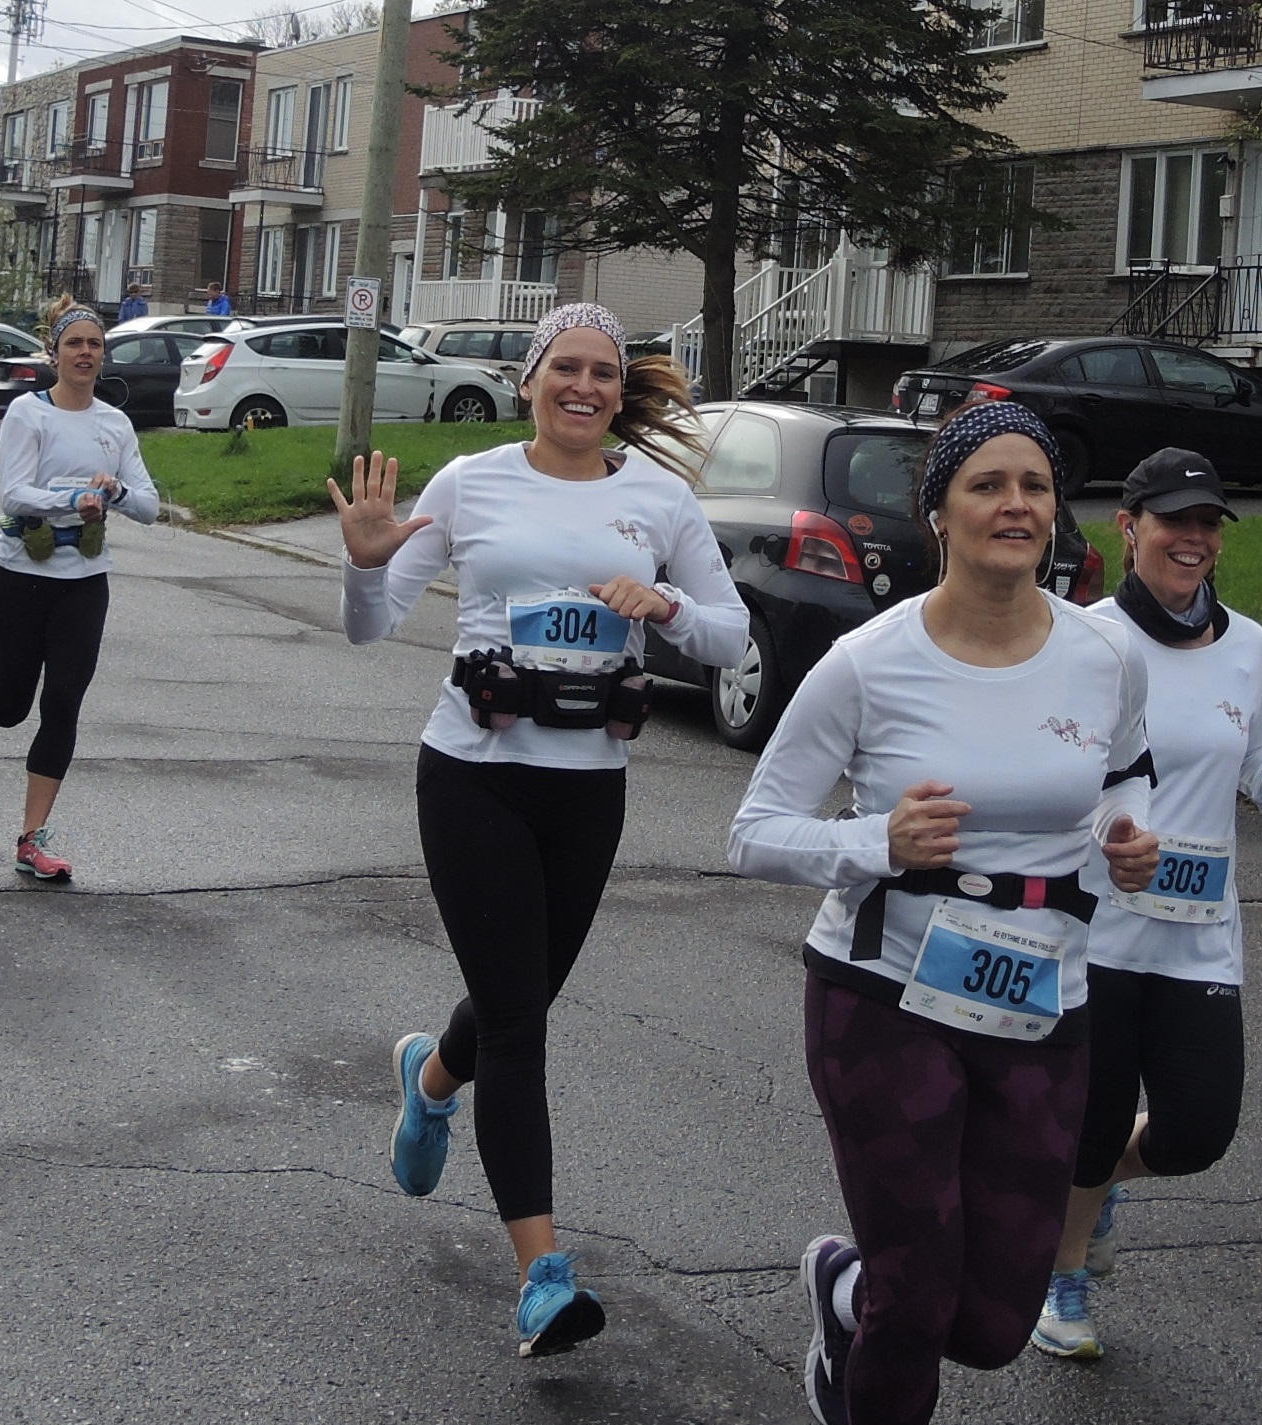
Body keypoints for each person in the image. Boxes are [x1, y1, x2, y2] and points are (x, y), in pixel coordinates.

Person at [727, 400, 1162, 1425]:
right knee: (919, 1296)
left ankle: (846, 1293)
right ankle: (873, 1337)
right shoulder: (870, 661)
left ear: (1058, 511)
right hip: (884, 998)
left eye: (1036, 487)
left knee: (992, 1325)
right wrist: (876, 841)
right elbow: (753, 831)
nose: (1015, 505)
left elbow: (1126, 772)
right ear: (941, 512)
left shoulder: (1106, 657)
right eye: (987, 485)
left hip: (1040, 1005)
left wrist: (1123, 836)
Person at [332, 302, 748, 1357]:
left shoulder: (658, 498)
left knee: (516, 1001)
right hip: (473, 774)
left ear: (621, 391)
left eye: (604, 373)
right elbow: (369, 626)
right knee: (521, 1025)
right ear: (529, 379)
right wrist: (365, 562)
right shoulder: (471, 482)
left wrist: (663, 607)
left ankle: (431, 1080)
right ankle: (543, 1275)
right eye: (565, 367)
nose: (585, 387)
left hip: (588, 788)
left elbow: (732, 632)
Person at [1030, 449, 1262, 1360]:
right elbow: (1054, 774)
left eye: (1207, 524)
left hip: (1198, 937)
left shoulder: (1249, 644)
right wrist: (1108, 835)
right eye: (1173, 521)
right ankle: (1063, 1278)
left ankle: (1099, 1186)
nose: (1193, 540)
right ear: (1129, 525)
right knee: (1093, 1118)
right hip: (1101, 929)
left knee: (1196, 1130)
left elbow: (1256, 762)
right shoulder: (1087, 638)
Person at [0, 295, 160, 881]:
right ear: (54, 353)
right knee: (13, 704)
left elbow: (151, 504)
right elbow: (13, 493)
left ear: (103, 353)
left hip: (83, 581)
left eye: (94, 344)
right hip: (17, 574)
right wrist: (72, 498)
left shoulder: (115, 423)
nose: (85, 353)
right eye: (74, 343)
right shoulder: (28, 413)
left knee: (62, 703)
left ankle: (32, 837)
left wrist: (113, 493)